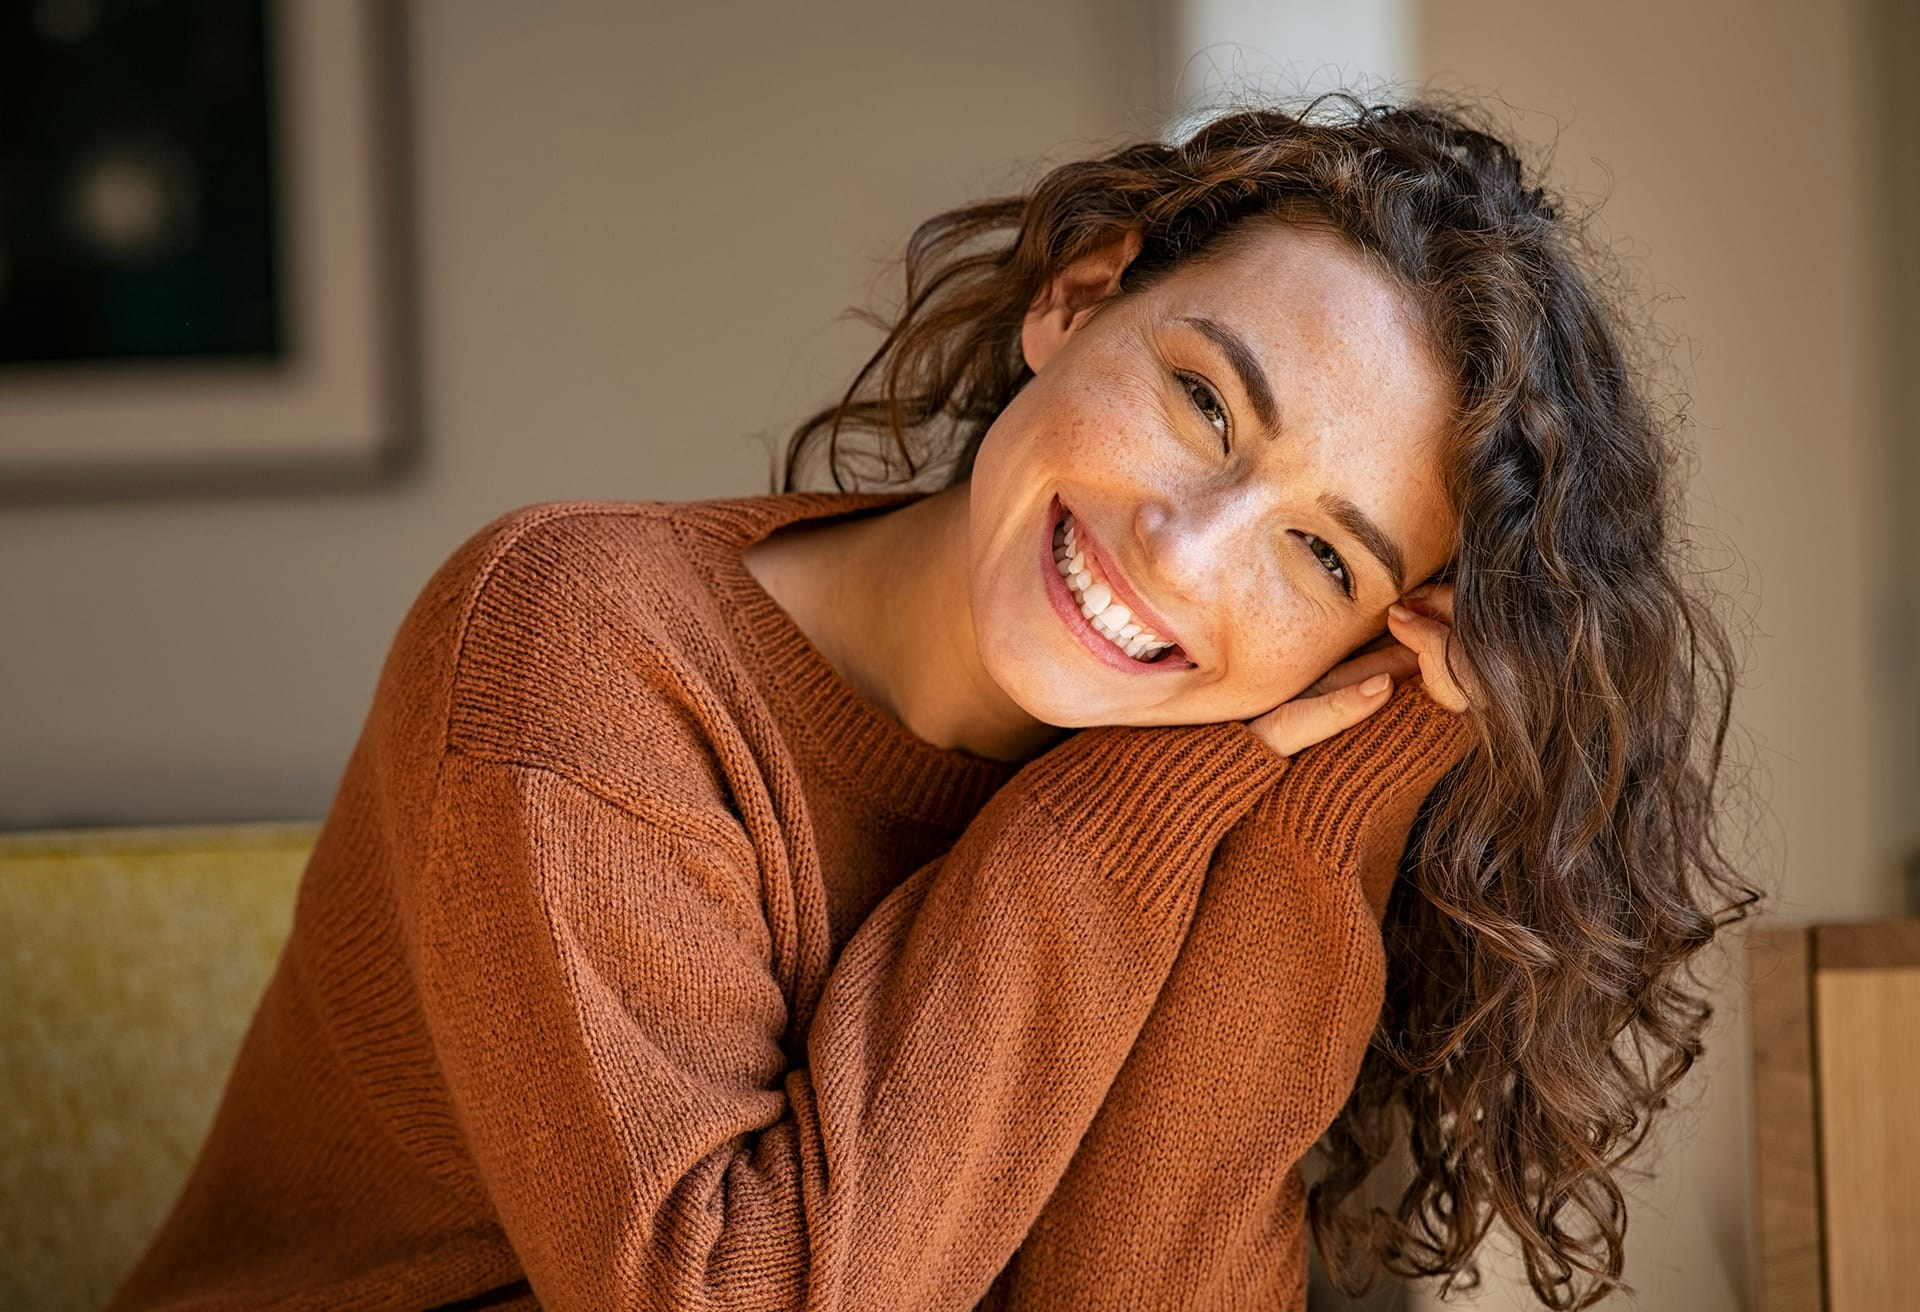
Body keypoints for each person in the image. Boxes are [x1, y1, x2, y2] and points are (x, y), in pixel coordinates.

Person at [106, 92, 1758, 1312]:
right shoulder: (581, 647)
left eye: (1323, 561)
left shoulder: (1222, 766)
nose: (1183, 557)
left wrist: (1346, 781)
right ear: (1076, 297)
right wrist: (1139, 805)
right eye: (1201, 404)